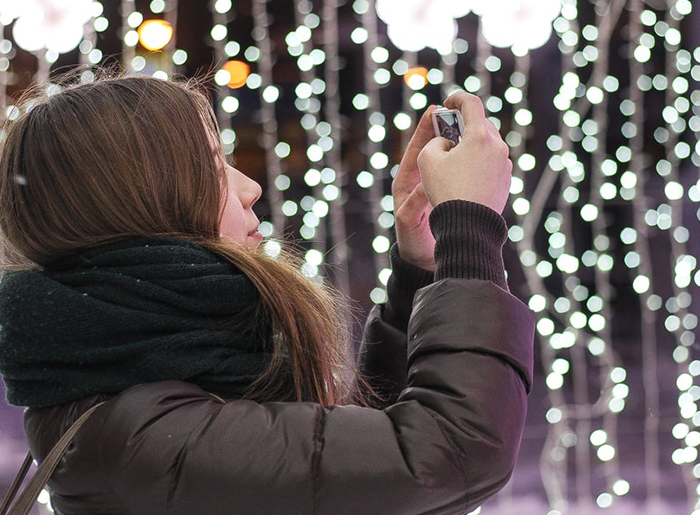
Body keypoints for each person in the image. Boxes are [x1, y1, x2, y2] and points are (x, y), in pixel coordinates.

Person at [0, 75, 534, 515]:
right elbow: (447, 457)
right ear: (149, 205)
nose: (249, 187)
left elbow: (340, 471)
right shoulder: (140, 434)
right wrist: (470, 225)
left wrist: (424, 265)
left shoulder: (151, 369)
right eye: (212, 166)